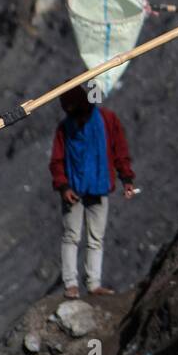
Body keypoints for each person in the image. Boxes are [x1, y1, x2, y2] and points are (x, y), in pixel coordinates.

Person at [48, 86, 137, 300]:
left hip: (98, 187)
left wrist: (127, 179)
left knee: (95, 238)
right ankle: (71, 284)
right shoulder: (64, 129)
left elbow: (120, 151)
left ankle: (93, 284)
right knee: (71, 236)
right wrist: (64, 187)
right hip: (73, 189)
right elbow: (57, 162)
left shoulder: (107, 121)